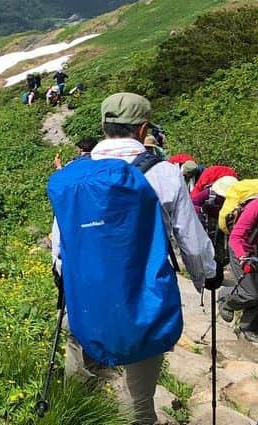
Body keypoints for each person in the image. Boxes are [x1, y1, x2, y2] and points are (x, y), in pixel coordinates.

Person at [50, 93, 219, 425]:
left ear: (103, 126)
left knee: (78, 359)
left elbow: (60, 241)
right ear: (143, 130)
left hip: (87, 295)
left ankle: (76, 409)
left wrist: (62, 275)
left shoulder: (76, 175)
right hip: (145, 298)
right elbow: (192, 242)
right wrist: (207, 276)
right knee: (138, 398)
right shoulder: (164, 173)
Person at [220, 183, 258, 342]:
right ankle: (225, 298)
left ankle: (247, 328)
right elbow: (236, 236)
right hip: (241, 249)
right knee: (251, 294)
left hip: (255, 252)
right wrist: (243, 258)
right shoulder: (255, 206)